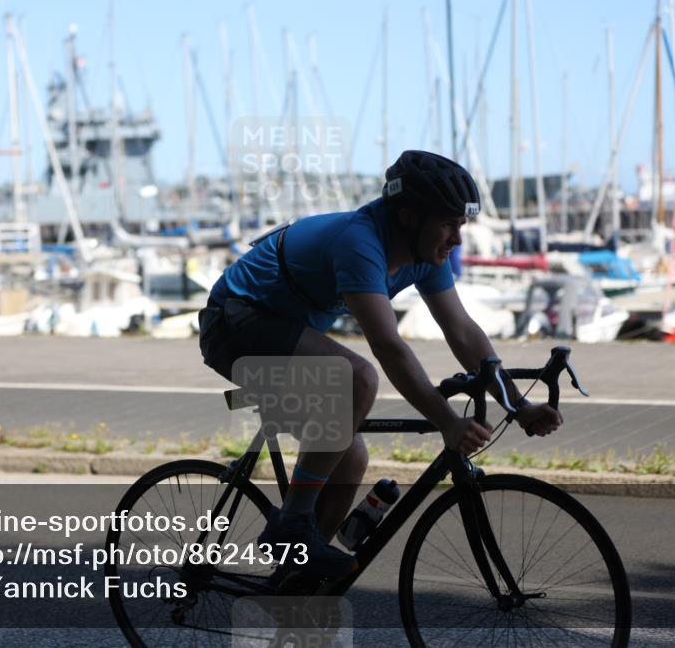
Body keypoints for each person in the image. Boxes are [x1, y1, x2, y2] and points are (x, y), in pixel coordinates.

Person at [198, 150, 563, 580]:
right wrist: (447, 420)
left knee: (349, 456)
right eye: (448, 224)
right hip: (234, 321)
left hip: (284, 328)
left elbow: (462, 331)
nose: (457, 239)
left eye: (460, 226)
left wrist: (518, 406)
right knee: (356, 377)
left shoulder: (422, 255)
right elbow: (387, 347)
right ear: (408, 216)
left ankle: (295, 583)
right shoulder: (360, 243)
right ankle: (291, 525)